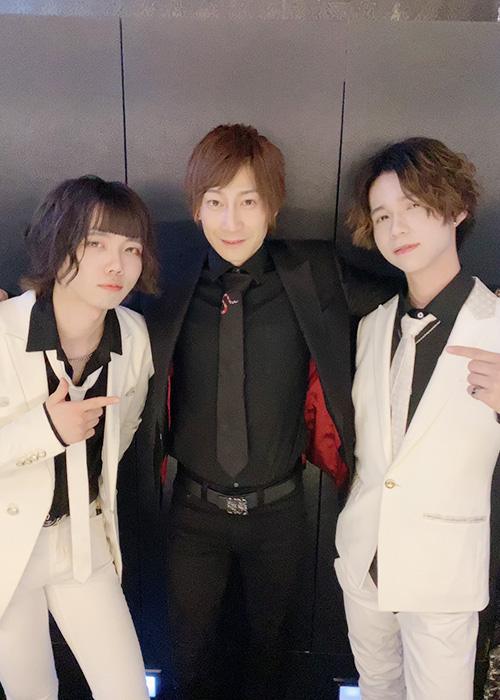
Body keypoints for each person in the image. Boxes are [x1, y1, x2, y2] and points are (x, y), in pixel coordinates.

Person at [133, 123, 355, 699]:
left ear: (273, 207)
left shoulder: (313, 273)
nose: (231, 221)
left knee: (272, 655)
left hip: (280, 511)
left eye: (248, 202)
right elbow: (86, 297)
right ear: (196, 207)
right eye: (215, 202)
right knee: (187, 655)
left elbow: (408, 296)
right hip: (193, 509)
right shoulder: (164, 278)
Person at [334, 137, 500, 700]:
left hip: (443, 572)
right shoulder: (373, 326)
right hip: (365, 560)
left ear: (456, 209)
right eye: (382, 215)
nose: (396, 227)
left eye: (413, 206)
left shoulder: (495, 324)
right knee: (377, 687)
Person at [0, 175, 157, 700]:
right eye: (95, 244)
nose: (117, 265)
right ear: (57, 245)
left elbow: (125, 427)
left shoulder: (132, 334)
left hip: (82, 539)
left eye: (130, 248)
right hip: (7, 543)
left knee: (126, 689)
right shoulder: (3, 329)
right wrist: (45, 430)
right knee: (31, 691)